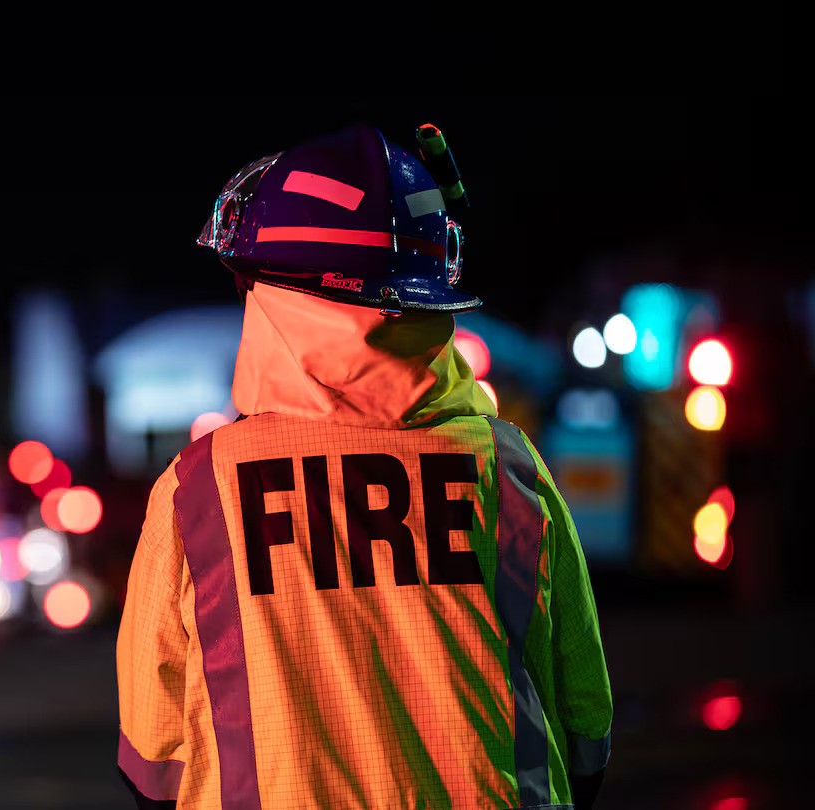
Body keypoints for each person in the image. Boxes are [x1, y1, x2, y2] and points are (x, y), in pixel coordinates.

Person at [115, 124, 612, 809]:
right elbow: (586, 720)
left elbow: (152, 754)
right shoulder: (507, 467)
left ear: (273, 291)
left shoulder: (200, 489)